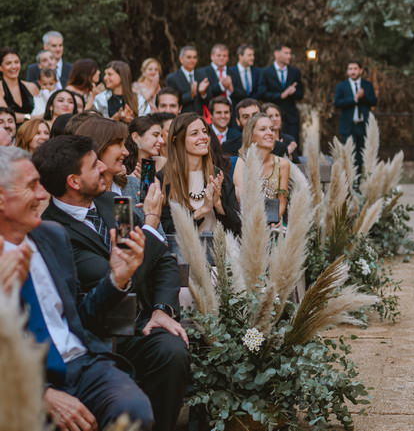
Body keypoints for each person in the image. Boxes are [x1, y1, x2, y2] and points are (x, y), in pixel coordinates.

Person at [34, 136, 189, 431]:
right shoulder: (57, 232)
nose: (105, 167)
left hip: (141, 322)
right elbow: (119, 274)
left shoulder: (113, 203)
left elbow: (162, 261)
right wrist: (152, 226)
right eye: (94, 165)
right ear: (74, 182)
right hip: (101, 332)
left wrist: (162, 310)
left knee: (172, 350)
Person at [0, 146, 153, 431]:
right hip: (20, 380)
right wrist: (40, 393)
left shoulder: (51, 236)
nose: (43, 195)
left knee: (132, 411)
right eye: (32, 187)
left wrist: (117, 278)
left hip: (81, 363)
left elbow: (82, 316)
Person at [159, 113, 242, 237]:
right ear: (177, 139)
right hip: (182, 254)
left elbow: (237, 227)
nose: (203, 137)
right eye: (194, 133)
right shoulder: (164, 178)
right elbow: (165, 229)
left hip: (219, 253)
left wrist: (218, 204)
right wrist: (201, 211)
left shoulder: (217, 175)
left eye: (204, 131)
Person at [233, 113, 290, 228]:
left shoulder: (282, 164)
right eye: (263, 129)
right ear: (251, 135)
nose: (270, 133)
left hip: (274, 223)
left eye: (272, 129)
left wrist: (276, 218)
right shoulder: (242, 162)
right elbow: (241, 199)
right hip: (248, 222)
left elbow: (282, 200)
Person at [334, 60, 377, 162]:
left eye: (355, 69)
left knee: (362, 156)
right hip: (348, 126)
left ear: (360, 70)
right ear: (347, 71)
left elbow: (374, 102)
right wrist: (354, 99)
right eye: (350, 69)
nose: (352, 71)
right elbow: (337, 103)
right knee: (349, 156)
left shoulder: (367, 85)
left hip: (363, 126)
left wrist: (363, 97)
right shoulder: (341, 86)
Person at [259, 43, 304, 142]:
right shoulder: (265, 72)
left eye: (290, 53)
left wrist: (293, 92)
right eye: (286, 53)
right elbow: (261, 93)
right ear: (277, 54)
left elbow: (301, 94)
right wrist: (281, 95)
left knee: (292, 144)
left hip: (291, 117)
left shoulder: (295, 72)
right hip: (271, 117)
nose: (289, 56)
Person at [164, 46, 209, 114]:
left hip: (199, 118)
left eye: (194, 57)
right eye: (189, 57)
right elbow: (172, 101)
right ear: (181, 59)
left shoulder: (202, 75)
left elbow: (210, 100)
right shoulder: (172, 78)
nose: (192, 60)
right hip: (182, 118)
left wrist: (203, 93)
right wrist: (191, 95)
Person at [0, 48, 39, 124]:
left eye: (16, 62)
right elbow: (6, 116)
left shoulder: (31, 87)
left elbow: (42, 110)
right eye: (8, 63)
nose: (14, 66)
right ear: (1, 68)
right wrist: (31, 117)